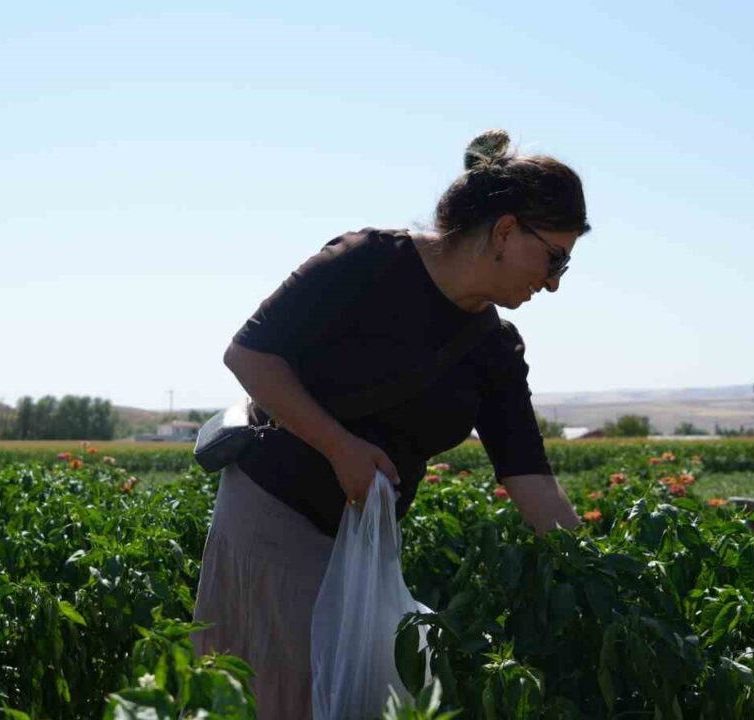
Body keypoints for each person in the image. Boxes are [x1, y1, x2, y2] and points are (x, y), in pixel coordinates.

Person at [192, 129, 589, 717]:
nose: (554, 281)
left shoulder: (494, 349)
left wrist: (599, 573)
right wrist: (339, 447)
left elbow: (528, 475)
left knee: (351, 698)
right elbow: (249, 356)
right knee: (283, 694)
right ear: (506, 231)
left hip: (366, 544)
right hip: (275, 516)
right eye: (554, 257)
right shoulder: (369, 262)